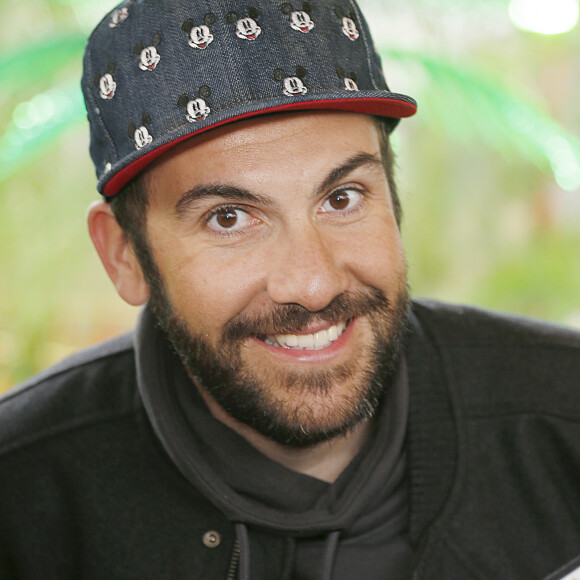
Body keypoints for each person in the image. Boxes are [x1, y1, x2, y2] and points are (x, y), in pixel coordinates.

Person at [1, 0, 579, 578]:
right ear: (123, 255)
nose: (313, 283)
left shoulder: (563, 416)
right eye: (228, 217)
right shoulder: (22, 495)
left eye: (342, 198)